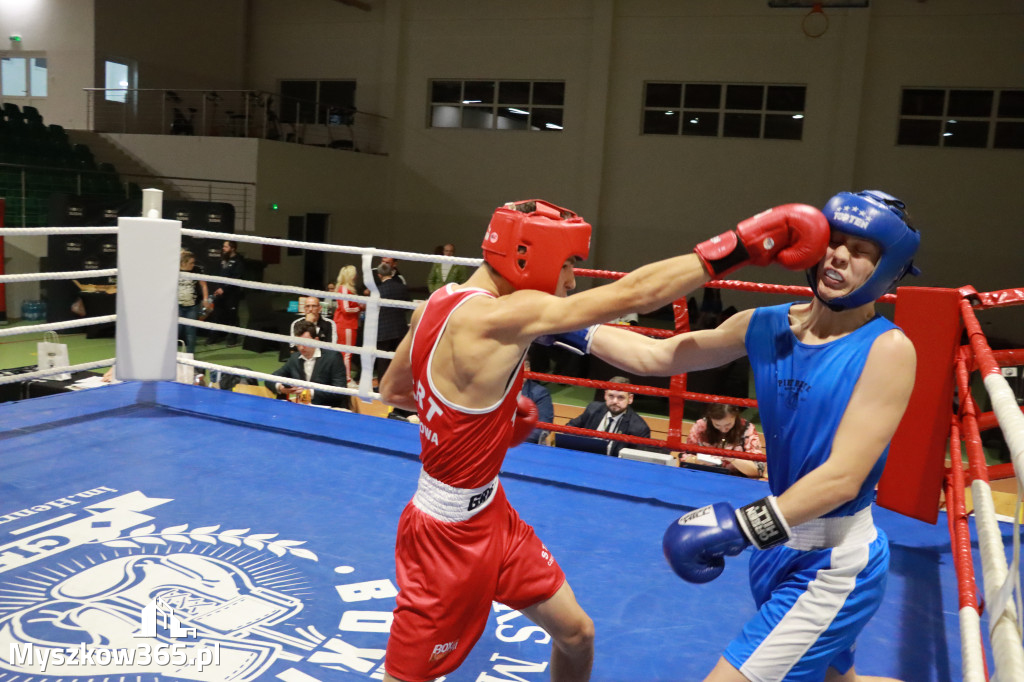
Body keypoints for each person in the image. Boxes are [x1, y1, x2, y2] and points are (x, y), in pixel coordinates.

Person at [378, 197, 830, 682]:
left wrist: (486, 419)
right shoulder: (508, 314)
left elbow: (396, 391)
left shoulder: (436, 303)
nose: (572, 280)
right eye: (571, 264)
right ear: (528, 256)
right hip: (444, 539)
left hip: (492, 515)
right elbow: (636, 294)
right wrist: (736, 247)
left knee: (577, 634)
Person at [576, 190, 918, 682]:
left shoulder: (888, 349)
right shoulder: (765, 324)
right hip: (777, 549)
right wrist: (564, 328)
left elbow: (843, 478)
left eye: (861, 251)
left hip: (835, 564)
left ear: (889, 268)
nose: (839, 255)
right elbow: (658, 357)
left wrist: (742, 526)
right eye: (834, 241)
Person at [265, 320, 350, 409]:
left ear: (316, 340)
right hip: (301, 409)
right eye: (298, 343)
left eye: (305, 343)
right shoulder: (294, 358)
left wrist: (310, 392)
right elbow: (270, 379)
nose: (301, 347)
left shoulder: (333, 357)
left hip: (327, 409)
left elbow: (340, 391)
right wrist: (280, 387)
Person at [565, 376, 651, 457]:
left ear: (630, 399)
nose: (614, 401)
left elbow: (638, 460)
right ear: (605, 395)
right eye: (611, 396)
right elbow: (569, 428)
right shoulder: (593, 409)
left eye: (620, 397)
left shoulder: (639, 428)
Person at [683, 403, 764, 478]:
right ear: (710, 419)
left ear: (735, 416)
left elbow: (758, 470)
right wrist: (699, 461)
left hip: (735, 479)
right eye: (717, 425)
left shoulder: (747, 429)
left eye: (728, 424)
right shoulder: (700, 426)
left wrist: (733, 458)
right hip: (704, 476)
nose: (723, 429)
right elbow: (684, 458)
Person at [374, 260, 410, 384]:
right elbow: (407, 306)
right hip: (400, 330)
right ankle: (398, 385)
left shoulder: (377, 291)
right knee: (398, 359)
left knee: (383, 360)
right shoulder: (401, 287)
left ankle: (383, 387)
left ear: (379, 275)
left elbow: (373, 310)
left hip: (383, 330)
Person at [207, 240, 244, 344]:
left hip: (232, 294)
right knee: (217, 314)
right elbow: (219, 274)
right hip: (220, 293)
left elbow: (237, 278)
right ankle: (214, 335)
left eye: (226, 247)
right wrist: (218, 288)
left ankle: (233, 337)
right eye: (223, 246)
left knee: (232, 315)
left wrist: (224, 288)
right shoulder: (223, 260)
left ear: (233, 248)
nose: (223, 248)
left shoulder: (239, 261)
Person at [333, 265, 365, 387]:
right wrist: (360, 308)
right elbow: (346, 309)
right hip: (346, 325)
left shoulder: (345, 289)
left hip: (348, 324)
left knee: (345, 352)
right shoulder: (344, 289)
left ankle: (344, 377)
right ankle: (346, 379)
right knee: (346, 353)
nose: (356, 276)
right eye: (355, 274)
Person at [177, 249, 212, 355]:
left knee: (190, 332)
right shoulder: (174, 270)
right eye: (191, 263)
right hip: (177, 306)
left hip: (192, 306)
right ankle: (170, 355)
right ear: (183, 263)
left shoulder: (196, 270)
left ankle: (190, 355)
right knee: (175, 331)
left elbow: (203, 285)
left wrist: (205, 299)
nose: (193, 264)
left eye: (194, 262)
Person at [521, 352, 554, 445]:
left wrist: (512, 440)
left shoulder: (540, 393)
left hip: (525, 445)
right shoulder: (499, 389)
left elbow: (542, 428)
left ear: (527, 369)